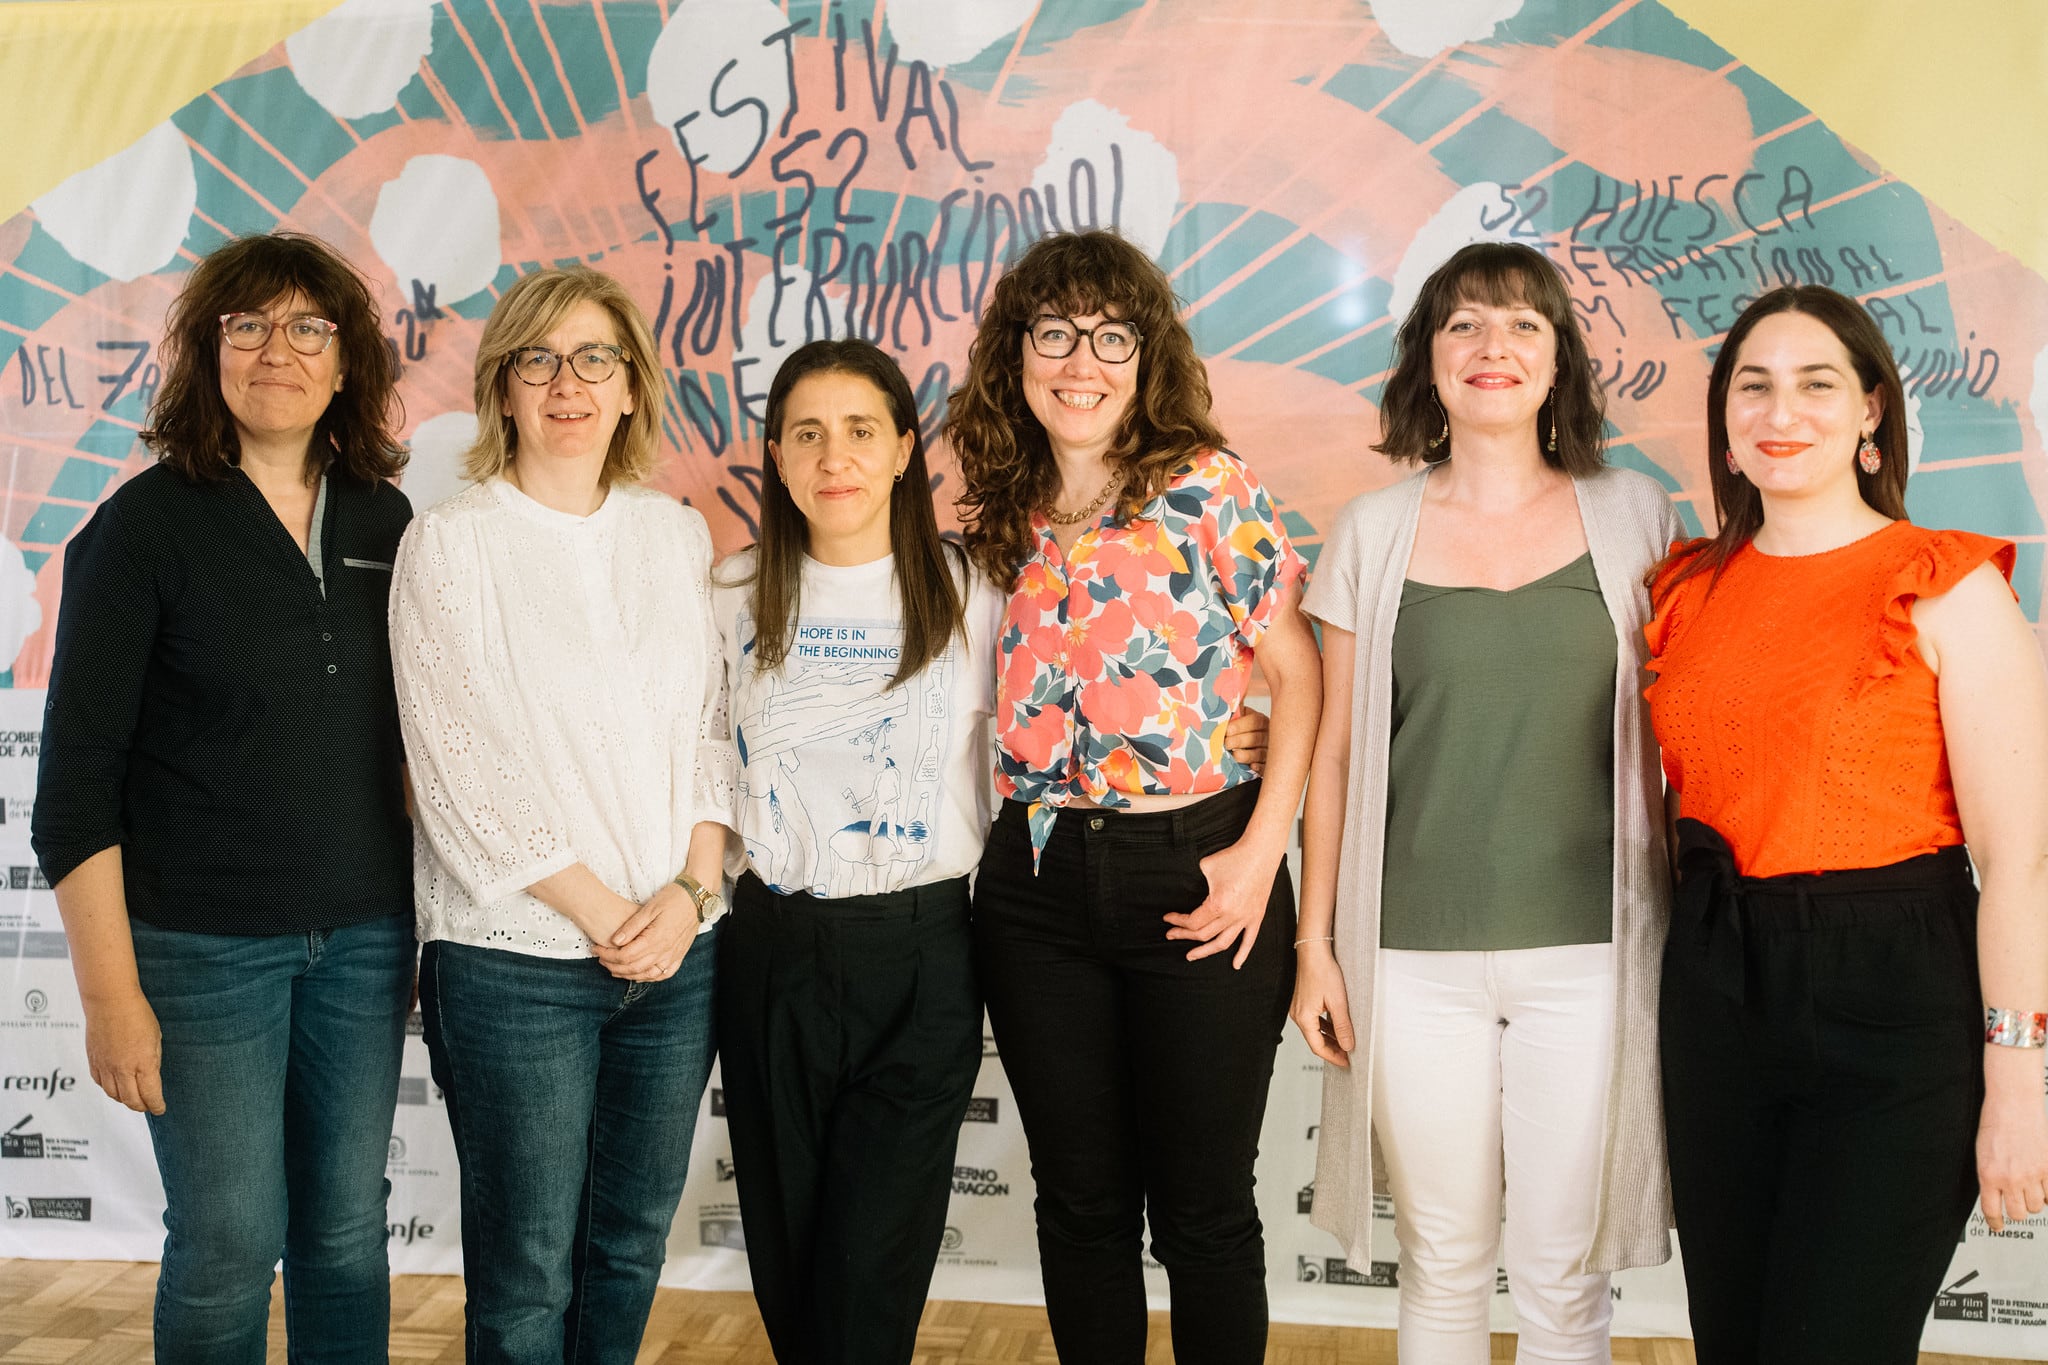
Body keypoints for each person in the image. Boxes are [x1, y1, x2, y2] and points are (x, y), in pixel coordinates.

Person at [1644, 285, 2048, 1363]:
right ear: (1724, 422)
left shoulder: (1946, 585)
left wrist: (2015, 1086)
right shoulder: (1683, 589)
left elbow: (2017, 863)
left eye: (1816, 384)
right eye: (1753, 386)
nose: (1783, 411)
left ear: (1870, 409)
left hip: (1894, 1001)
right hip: (1714, 987)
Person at [32, 232, 414, 1364]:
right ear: (208, 356)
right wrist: (111, 995)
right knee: (229, 1240)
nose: (276, 351)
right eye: (245, 327)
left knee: (346, 1236)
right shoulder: (143, 529)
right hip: (199, 954)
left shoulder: (388, 526)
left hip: (363, 941)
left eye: (308, 327)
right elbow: (74, 790)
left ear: (347, 366)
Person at [1293, 241, 1676, 1363]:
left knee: (1564, 1278)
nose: (1491, 346)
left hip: (1592, 958)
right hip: (1409, 963)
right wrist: (1315, 944)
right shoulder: (1371, 530)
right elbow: (1331, 757)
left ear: (1558, 364)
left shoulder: (1635, 519)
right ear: (1428, 360)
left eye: (1521, 325)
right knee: (1442, 1263)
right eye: (1463, 324)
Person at [947, 229, 1322, 1364]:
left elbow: (1300, 682)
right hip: (1034, 887)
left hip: (1200, 869)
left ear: (1145, 354)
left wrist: (1261, 854)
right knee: (1077, 1205)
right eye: (1053, 332)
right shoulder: (997, 511)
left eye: (1111, 335)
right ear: (1016, 353)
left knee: (1203, 1210)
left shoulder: (1209, 489)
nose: (1081, 361)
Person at [389, 266, 736, 1364]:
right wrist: (605, 916)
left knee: (630, 1244)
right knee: (528, 1269)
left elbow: (709, 732)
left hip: (677, 957)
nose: (566, 382)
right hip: (516, 962)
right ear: (501, 390)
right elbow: (455, 766)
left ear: (632, 387)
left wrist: (685, 896)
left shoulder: (674, 537)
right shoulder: (451, 543)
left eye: (594, 358)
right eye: (537, 359)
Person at [710, 338, 1000, 1363]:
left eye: (860, 430)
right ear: (778, 459)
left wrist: (1247, 729)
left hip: (918, 956)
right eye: (806, 434)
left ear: (902, 449)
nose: (834, 456)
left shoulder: (973, 591)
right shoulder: (728, 594)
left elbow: (1065, 736)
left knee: (868, 1272)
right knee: (792, 1270)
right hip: (768, 952)